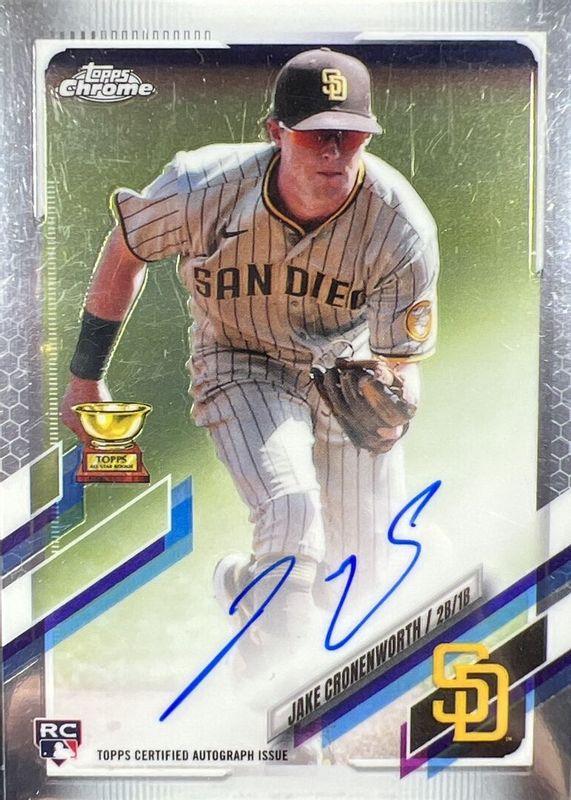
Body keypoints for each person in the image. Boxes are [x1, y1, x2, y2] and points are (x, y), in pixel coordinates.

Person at [61, 48, 439, 671]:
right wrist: (85, 376)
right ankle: (282, 702)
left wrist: (396, 400)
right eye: (316, 133)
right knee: (291, 512)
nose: (334, 151)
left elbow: (402, 361)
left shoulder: (400, 227)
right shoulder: (201, 187)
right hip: (241, 360)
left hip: (343, 373)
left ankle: (247, 591)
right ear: (276, 133)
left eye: (349, 135)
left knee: (364, 581)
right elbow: (126, 252)